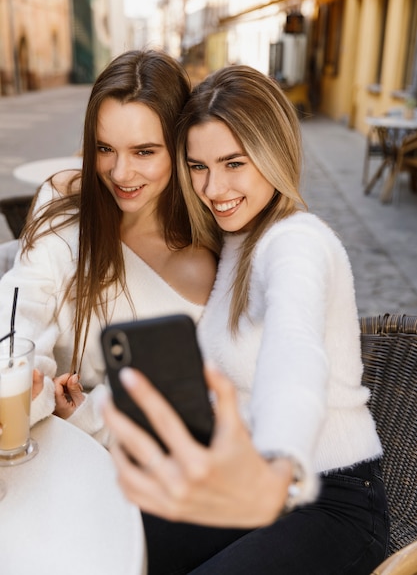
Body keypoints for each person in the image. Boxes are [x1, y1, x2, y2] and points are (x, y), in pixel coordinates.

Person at [103, 65, 390, 574]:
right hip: (250, 488)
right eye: (198, 166)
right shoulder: (237, 238)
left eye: (233, 162)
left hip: (331, 501)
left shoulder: (296, 242)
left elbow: (295, 351)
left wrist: (279, 463)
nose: (214, 188)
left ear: (273, 152)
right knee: (109, 538)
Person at [0, 49, 217, 446]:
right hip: (39, 443)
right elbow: (22, 302)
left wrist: (86, 416)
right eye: (104, 149)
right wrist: (24, 380)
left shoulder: (200, 267)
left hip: (129, 476)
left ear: (180, 145)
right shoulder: (64, 196)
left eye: (144, 152)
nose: (119, 173)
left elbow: (172, 412)